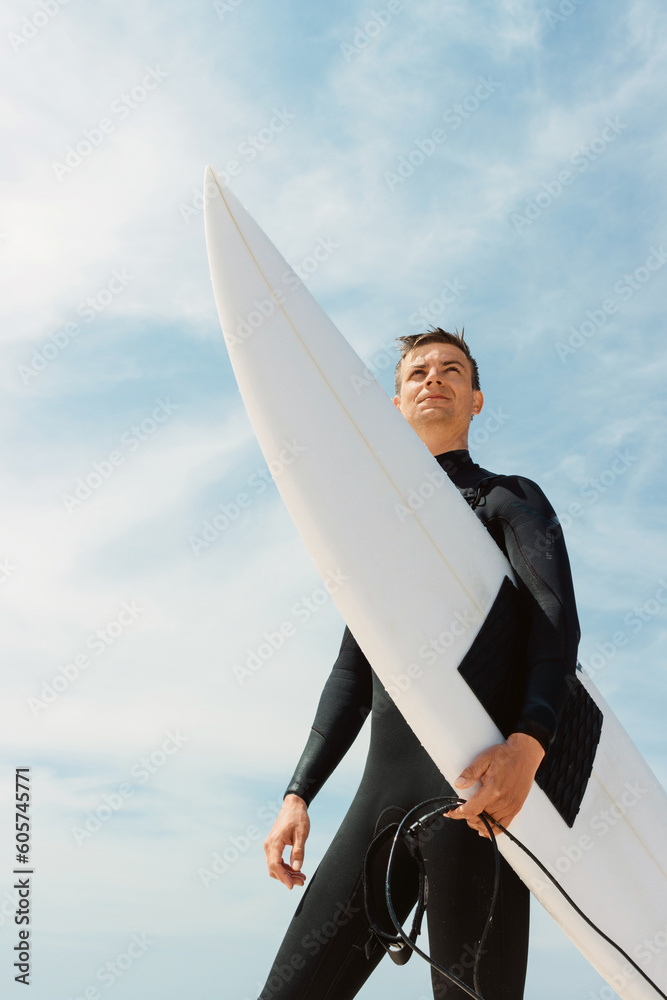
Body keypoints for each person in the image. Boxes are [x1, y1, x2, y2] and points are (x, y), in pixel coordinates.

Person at [259, 329, 580, 1000]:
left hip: (477, 804)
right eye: (417, 372)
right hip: (376, 810)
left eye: (452, 370)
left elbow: (554, 619)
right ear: (394, 402)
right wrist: (297, 794)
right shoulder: (379, 538)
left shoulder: (508, 498)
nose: (433, 379)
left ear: (475, 400)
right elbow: (351, 673)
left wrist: (529, 745)